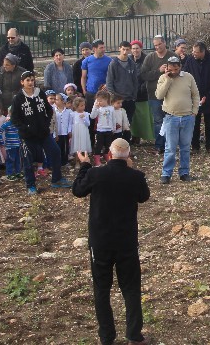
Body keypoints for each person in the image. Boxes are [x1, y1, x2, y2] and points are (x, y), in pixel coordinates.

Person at [72, 139, 150, 345]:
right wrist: (132, 170)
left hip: (101, 241)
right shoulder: (135, 177)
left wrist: (85, 166)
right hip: (126, 241)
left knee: (102, 288)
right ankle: (134, 334)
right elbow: (144, 196)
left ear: (109, 154)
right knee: (131, 287)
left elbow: (78, 190)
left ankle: (106, 337)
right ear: (128, 156)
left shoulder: (96, 174)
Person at [11, 70, 71, 193]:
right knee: (28, 159)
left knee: (55, 151)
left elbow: (49, 110)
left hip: (43, 132)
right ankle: (31, 185)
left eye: (32, 80)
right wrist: (25, 129)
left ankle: (56, 179)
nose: (30, 82)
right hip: (27, 136)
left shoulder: (40, 94)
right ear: (22, 82)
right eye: (27, 80)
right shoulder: (18, 98)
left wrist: (45, 123)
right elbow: (14, 118)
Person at [156, 56, 200, 184]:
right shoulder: (163, 78)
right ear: (167, 67)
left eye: (176, 68)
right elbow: (159, 95)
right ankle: (166, 173)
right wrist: (168, 80)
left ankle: (184, 172)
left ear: (180, 67)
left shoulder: (188, 77)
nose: (174, 71)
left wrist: (194, 111)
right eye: (171, 68)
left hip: (187, 117)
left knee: (185, 147)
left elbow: (195, 94)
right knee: (170, 147)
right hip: (171, 117)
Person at [183, 41, 210, 153]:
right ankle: (195, 146)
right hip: (194, 97)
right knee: (194, 122)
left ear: (203, 52)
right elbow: (185, 75)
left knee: (209, 122)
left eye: (196, 52)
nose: (193, 53)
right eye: (193, 51)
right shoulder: (190, 60)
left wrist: (209, 94)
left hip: (209, 97)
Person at [140, 35, 174, 154]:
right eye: (155, 45)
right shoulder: (150, 58)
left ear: (164, 43)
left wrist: (169, 72)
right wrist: (158, 72)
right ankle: (159, 145)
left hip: (170, 94)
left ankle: (170, 144)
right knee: (158, 120)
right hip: (154, 94)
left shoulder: (172, 56)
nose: (158, 47)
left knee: (170, 119)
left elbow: (179, 72)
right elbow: (143, 75)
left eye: (159, 44)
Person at [106, 41, 140, 132]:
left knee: (127, 123)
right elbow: (109, 81)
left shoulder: (131, 63)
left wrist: (134, 96)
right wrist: (113, 97)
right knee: (116, 124)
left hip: (130, 98)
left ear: (130, 50)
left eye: (127, 50)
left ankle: (126, 143)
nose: (125, 52)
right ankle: (116, 144)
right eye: (123, 49)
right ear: (119, 49)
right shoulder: (113, 63)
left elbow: (135, 81)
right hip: (117, 99)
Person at [129, 40, 153, 144]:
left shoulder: (146, 59)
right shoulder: (129, 60)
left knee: (145, 117)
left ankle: (150, 137)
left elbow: (148, 75)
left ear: (141, 49)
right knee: (134, 118)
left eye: (137, 48)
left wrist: (142, 87)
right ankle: (135, 137)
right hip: (131, 93)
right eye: (133, 48)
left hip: (143, 93)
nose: (135, 50)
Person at [81, 39, 111, 114]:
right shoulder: (86, 61)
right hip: (91, 92)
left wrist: (107, 85)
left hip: (104, 93)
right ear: (94, 49)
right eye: (101, 48)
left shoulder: (109, 60)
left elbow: (112, 76)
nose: (103, 49)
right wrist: (84, 90)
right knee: (91, 115)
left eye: (104, 47)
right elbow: (83, 77)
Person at [89, 91, 116, 166]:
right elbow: (92, 116)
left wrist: (113, 128)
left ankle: (107, 156)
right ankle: (97, 160)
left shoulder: (111, 108)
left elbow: (114, 119)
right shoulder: (99, 109)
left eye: (100, 101)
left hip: (109, 130)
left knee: (108, 145)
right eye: (98, 101)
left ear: (106, 99)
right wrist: (95, 107)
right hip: (100, 130)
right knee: (99, 145)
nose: (99, 102)